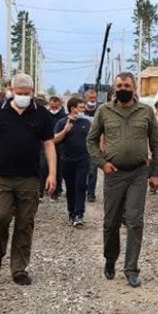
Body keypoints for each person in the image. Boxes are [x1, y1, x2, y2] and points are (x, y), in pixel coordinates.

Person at [0, 73, 57, 286]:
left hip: (29, 179)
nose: (22, 97)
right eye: (19, 93)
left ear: (32, 92)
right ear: (11, 91)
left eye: (26, 93)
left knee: (24, 224)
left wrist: (53, 174)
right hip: (1, 177)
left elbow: (48, 144)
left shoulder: (41, 114)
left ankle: (19, 269)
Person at [87, 72, 158, 288]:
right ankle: (110, 258)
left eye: (127, 85)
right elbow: (91, 141)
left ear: (134, 88)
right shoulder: (104, 111)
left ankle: (131, 268)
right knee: (110, 222)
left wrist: (157, 173)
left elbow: (157, 145)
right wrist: (102, 163)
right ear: (114, 88)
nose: (123, 88)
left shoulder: (146, 112)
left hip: (138, 174)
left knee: (134, 221)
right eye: (119, 85)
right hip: (114, 174)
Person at [53, 97, 91, 227]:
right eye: (80, 107)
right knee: (71, 188)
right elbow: (54, 140)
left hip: (83, 160)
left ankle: (79, 214)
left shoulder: (86, 122)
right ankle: (71, 213)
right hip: (67, 160)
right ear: (72, 108)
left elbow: (93, 138)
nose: (82, 110)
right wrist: (65, 131)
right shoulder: (62, 122)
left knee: (81, 186)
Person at [46, 96, 67, 200]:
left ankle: (56, 190)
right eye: (52, 101)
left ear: (59, 103)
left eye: (56, 101)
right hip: (45, 143)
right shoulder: (44, 115)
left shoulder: (63, 116)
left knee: (58, 168)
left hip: (59, 145)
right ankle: (44, 188)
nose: (54, 103)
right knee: (44, 167)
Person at [83, 88, 100, 203]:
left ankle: (91, 193)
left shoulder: (100, 110)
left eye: (94, 98)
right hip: (81, 145)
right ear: (86, 98)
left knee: (93, 170)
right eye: (90, 98)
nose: (92, 100)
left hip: (95, 145)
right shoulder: (81, 110)